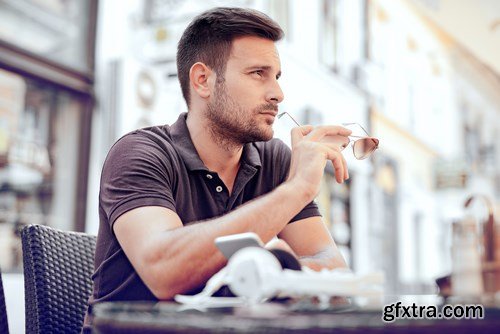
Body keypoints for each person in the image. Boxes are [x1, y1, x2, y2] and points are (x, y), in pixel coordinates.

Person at [85, 7, 352, 328]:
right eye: (258, 73)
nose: (278, 94)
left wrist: (273, 263)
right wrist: (297, 190)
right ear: (203, 80)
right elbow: (164, 272)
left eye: (277, 77)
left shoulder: (275, 159)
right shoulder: (140, 153)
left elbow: (336, 272)